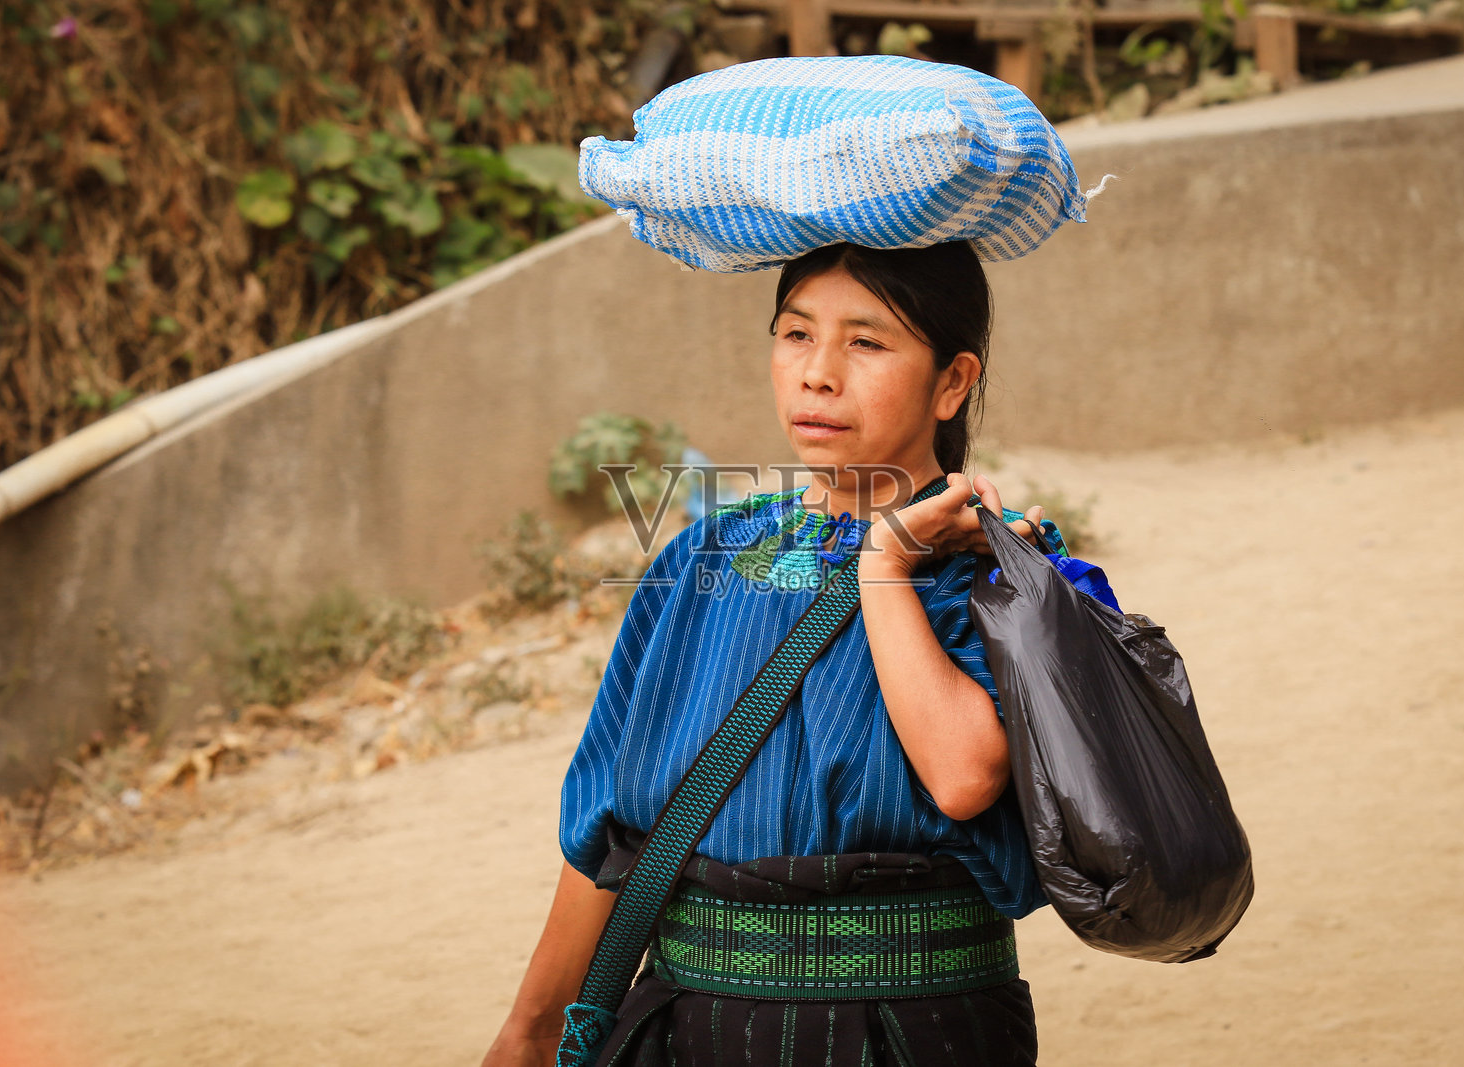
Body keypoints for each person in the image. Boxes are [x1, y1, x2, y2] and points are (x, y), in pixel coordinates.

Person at [480, 240, 1120, 1067]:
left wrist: (884, 560)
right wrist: (531, 1033)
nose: (818, 372)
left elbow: (965, 775)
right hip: (687, 1031)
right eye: (794, 334)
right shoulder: (703, 563)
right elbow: (613, 824)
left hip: (912, 1035)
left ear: (952, 382)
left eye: (866, 341)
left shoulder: (1000, 577)